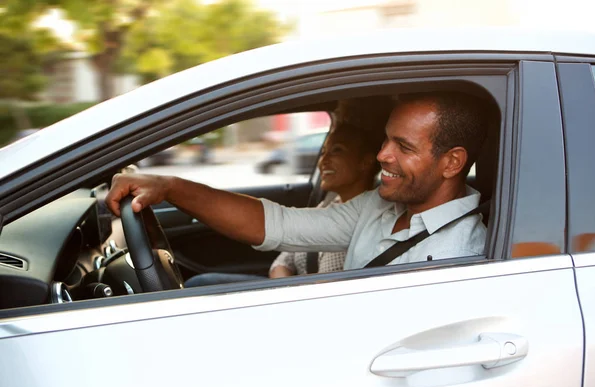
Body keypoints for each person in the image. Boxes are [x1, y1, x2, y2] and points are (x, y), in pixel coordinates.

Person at [105, 91, 489, 274]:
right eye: (385, 139)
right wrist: (171, 187)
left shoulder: (460, 252)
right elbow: (281, 225)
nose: (381, 155)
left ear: (451, 162)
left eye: (402, 146)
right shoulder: (380, 206)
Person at [185, 97, 393, 286]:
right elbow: (281, 261)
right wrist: (286, 288)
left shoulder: (367, 221)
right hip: (288, 295)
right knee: (201, 283)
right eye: (323, 152)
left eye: (337, 151)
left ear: (365, 163)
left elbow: (332, 290)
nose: (324, 160)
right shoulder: (330, 204)